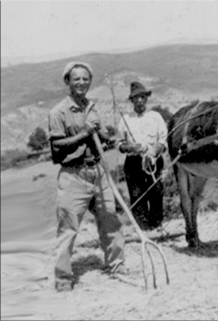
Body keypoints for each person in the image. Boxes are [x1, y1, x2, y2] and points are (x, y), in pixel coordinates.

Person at [48, 62, 126, 292]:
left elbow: (98, 135)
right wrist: (83, 134)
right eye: (76, 79)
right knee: (68, 228)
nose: (82, 83)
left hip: (98, 172)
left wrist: (111, 140)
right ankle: (63, 279)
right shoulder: (58, 112)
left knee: (110, 218)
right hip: (73, 175)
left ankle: (116, 263)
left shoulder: (92, 107)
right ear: (68, 82)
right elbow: (56, 146)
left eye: (85, 79)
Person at [116, 81, 168, 230]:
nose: (139, 100)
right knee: (137, 196)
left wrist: (153, 152)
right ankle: (142, 230)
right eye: (136, 97)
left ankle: (157, 228)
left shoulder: (156, 117)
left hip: (154, 161)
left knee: (156, 193)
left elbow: (163, 140)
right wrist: (129, 147)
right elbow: (119, 144)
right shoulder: (125, 119)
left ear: (146, 98)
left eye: (142, 97)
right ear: (131, 100)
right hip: (133, 163)